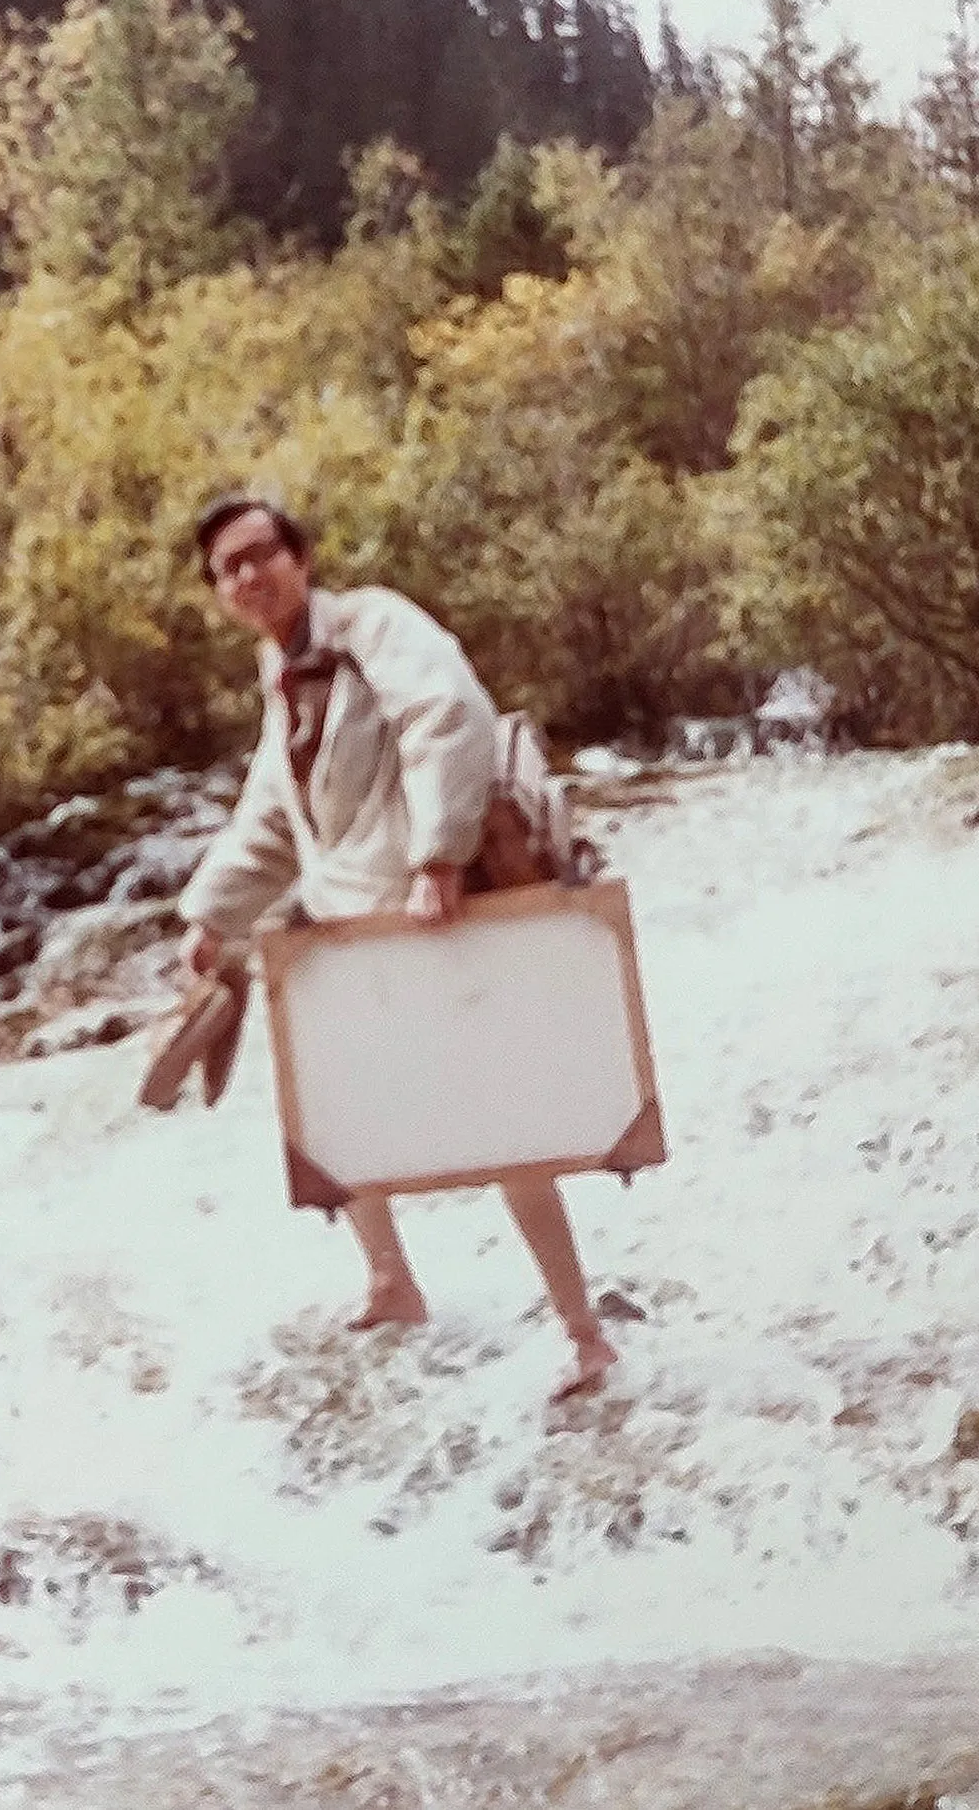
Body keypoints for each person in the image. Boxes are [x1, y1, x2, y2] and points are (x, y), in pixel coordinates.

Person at [173, 494, 619, 1402]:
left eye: (263, 554)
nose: (250, 576)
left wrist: (438, 857)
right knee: (330, 1101)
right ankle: (391, 1282)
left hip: (426, 908)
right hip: (352, 918)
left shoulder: (374, 623)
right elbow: (269, 814)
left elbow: (446, 713)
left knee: (501, 1117)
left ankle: (583, 1334)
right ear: (218, 592)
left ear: (299, 557)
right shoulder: (280, 670)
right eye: (230, 568)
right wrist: (208, 915)